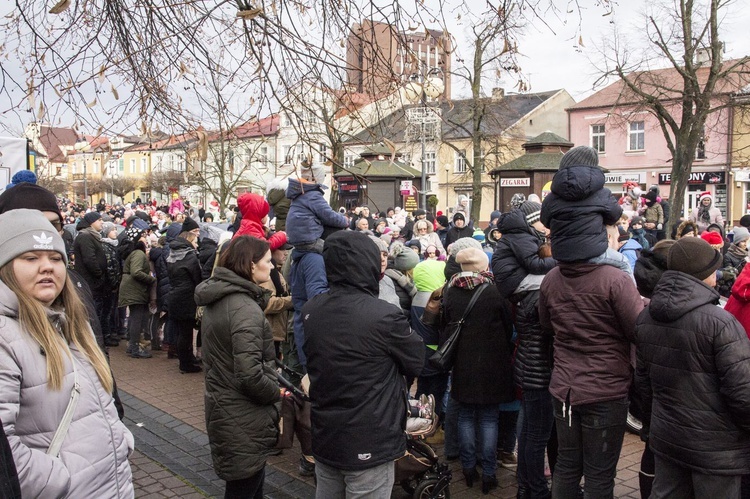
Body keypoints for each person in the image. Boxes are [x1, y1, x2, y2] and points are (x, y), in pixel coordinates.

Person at [0, 209, 134, 498]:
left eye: (56, 257)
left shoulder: (72, 322)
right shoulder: (5, 338)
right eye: (30, 258)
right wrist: (57, 481)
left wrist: (120, 440)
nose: (47, 267)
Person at [302, 231, 423, 498]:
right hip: (370, 435)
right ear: (368, 264)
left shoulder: (312, 309)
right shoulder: (384, 315)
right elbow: (416, 361)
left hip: (326, 432)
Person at [636, 237, 750, 499]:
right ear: (704, 273)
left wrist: (652, 426)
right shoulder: (720, 323)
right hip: (716, 446)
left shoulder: (646, 316)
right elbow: (742, 392)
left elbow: (644, 384)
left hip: (668, 437)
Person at [539, 220, 644, 498]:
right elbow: (637, 329)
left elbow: (546, 325)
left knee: (567, 466)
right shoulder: (616, 279)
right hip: (604, 390)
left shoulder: (552, 278)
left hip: (565, 389)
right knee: (599, 474)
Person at [195, 236, 281, 499]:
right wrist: (275, 393)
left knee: (248, 481)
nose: (273, 267)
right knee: (245, 485)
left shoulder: (224, 298)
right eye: (268, 261)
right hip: (243, 412)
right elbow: (249, 374)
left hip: (228, 406)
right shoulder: (244, 308)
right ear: (252, 265)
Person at [445, 247, 514, 493]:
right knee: (488, 418)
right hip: (493, 363)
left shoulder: (450, 292)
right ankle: (489, 473)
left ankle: (467, 468)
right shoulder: (496, 291)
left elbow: (446, 325)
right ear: (484, 266)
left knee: (465, 416)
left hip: (462, 363)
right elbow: (508, 326)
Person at [166, 217, 203, 373]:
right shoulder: (190, 256)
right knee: (186, 333)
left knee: (183, 332)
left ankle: (186, 360)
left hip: (175, 294)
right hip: (187, 298)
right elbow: (198, 278)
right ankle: (185, 364)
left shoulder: (172, 253)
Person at [118, 225, 156, 358]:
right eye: (143, 236)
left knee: (135, 317)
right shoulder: (138, 254)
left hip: (131, 288)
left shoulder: (133, 253)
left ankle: (132, 345)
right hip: (135, 289)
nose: (145, 239)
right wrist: (150, 279)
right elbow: (136, 272)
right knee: (136, 318)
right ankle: (134, 347)